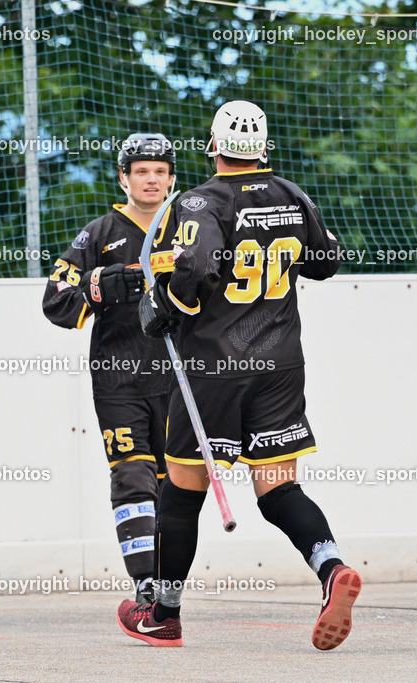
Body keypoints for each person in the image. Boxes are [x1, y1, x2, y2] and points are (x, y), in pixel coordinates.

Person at [118, 101, 361, 649]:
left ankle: (164, 612)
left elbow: (197, 268)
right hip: (280, 365)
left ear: (214, 145)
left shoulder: (200, 201)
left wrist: (167, 305)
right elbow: (325, 261)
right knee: (277, 486)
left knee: (182, 492)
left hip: (214, 369)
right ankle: (331, 569)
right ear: (263, 147)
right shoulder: (293, 194)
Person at [43, 134, 177, 604]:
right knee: (131, 475)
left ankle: (169, 591)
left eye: (160, 171)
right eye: (141, 170)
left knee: (175, 484)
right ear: (124, 177)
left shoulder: (189, 229)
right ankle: (145, 588)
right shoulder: (100, 233)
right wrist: (98, 291)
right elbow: (55, 302)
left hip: (181, 379)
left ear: (171, 179)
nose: (151, 179)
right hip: (118, 380)